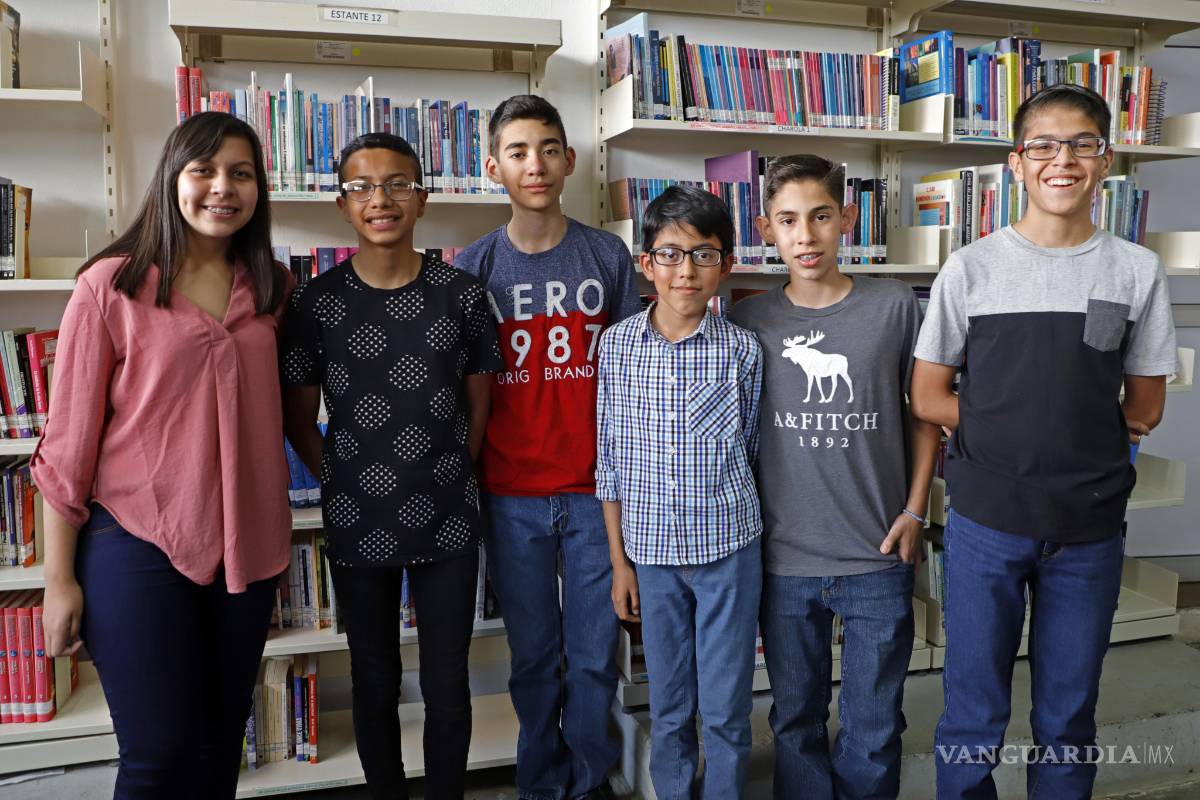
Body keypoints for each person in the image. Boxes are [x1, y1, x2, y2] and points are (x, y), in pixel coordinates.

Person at [910, 83, 1179, 799]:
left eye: (1082, 144)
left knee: (1069, 714)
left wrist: (1065, 434)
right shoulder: (970, 269)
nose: (1064, 159)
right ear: (1017, 163)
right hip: (985, 524)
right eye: (1045, 145)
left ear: (1105, 160)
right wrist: (1012, 428)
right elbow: (928, 395)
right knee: (972, 713)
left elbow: (1144, 403)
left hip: (1087, 529)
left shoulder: (1134, 270)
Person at [34, 111, 292, 799]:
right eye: (203, 171)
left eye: (241, 173)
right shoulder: (111, 286)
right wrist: (59, 580)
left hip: (246, 548)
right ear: (171, 179)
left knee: (217, 745)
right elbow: (65, 449)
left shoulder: (272, 287)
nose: (222, 188)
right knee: (156, 752)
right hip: (136, 541)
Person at [282, 132, 501, 800]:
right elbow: (298, 417)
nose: (381, 199)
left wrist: (444, 474)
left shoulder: (461, 295)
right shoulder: (313, 304)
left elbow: (479, 407)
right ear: (342, 206)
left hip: (448, 518)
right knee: (373, 677)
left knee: (446, 681)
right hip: (356, 519)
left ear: (423, 198)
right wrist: (345, 480)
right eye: (363, 187)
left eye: (398, 183)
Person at [729, 154, 940, 799]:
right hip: (783, 558)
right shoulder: (748, 321)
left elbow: (924, 415)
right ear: (767, 230)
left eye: (820, 216)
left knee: (874, 722)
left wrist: (914, 511)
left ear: (847, 218)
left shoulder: (895, 306)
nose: (806, 235)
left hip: (878, 552)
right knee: (794, 718)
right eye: (788, 220)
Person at [455, 94, 640, 800]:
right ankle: (541, 784)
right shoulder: (472, 267)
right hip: (509, 495)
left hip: (597, 494)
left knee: (593, 658)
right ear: (494, 165)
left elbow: (629, 374)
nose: (536, 164)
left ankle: (591, 782)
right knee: (534, 658)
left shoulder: (607, 255)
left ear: (568, 158)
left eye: (549, 148)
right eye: (519, 151)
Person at [599, 185, 763, 799]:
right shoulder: (615, 347)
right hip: (652, 558)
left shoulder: (743, 350)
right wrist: (620, 563)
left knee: (724, 709)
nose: (686, 270)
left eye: (703, 254)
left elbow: (749, 451)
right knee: (669, 705)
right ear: (646, 263)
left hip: (729, 551)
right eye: (669, 254)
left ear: (727, 264)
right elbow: (608, 463)